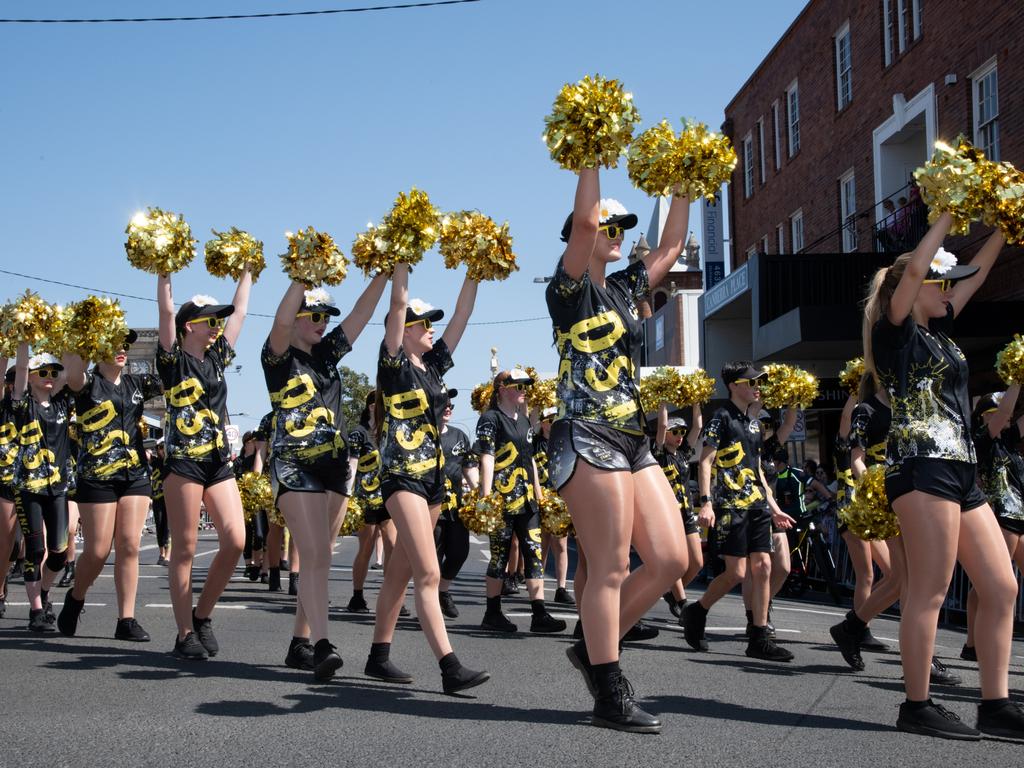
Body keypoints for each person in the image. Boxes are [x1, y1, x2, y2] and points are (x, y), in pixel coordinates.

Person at [865, 215, 1021, 739]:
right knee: (929, 589)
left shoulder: (942, 334)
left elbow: (976, 278)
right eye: (945, 283)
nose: (954, 291)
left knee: (1001, 587)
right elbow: (911, 277)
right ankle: (917, 704)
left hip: (962, 471)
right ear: (925, 284)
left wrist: (1006, 226)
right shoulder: (897, 333)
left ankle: (994, 704)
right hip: (920, 467)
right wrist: (949, 214)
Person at [546, 170, 690, 733]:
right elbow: (584, 220)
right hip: (586, 432)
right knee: (607, 566)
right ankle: (609, 688)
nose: (618, 232)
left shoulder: (626, 288)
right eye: (610, 224)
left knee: (672, 559)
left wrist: (687, 179)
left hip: (632, 437)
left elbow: (674, 246)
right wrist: (591, 155)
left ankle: (592, 645)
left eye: (625, 225)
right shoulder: (567, 289)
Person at [367, 265, 489, 694]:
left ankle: (377, 657)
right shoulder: (393, 361)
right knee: (428, 573)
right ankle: (449, 666)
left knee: (399, 574)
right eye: (423, 323)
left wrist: (476, 267)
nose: (431, 329)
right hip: (401, 475)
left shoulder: (435, 368)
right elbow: (397, 304)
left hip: (434, 479)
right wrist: (401, 264)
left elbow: (461, 315)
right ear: (403, 329)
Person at [263, 278, 386, 679]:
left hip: (334, 466)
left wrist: (384, 271)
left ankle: (299, 642)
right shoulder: (277, 356)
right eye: (315, 315)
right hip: (293, 464)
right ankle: (321, 645)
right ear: (297, 317)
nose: (324, 323)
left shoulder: (328, 354)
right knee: (314, 554)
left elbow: (362, 315)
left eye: (326, 317)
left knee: (320, 557)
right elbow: (281, 321)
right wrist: (300, 276)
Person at [156, 268, 252, 660]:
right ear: (188, 326)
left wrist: (248, 270)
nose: (216, 326)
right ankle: (183, 634)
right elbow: (164, 311)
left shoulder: (217, 358)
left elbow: (241, 313)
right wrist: (163, 268)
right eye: (210, 320)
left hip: (216, 461)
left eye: (217, 321)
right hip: (183, 464)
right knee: (186, 548)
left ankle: (202, 614)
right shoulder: (172, 360)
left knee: (236, 540)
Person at [681, 362, 795, 661]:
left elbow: (757, 470)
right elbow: (705, 462)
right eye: (752, 382)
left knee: (764, 568)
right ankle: (698, 610)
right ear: (734, 385)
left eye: (759, 382)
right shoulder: (721, 418)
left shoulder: (755, 425)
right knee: (737, 573)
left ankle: (759, 637)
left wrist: (773, 508)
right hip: (730, 506)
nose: (758, 386)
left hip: (757, 505)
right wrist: (706, 501)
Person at [56, 330, 163, 641]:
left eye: (124, 345)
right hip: (97, 476)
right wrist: (89, 337)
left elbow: (170, 371)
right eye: (112, 344)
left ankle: (126, 619)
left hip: (135, 475)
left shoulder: (138, 384)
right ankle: (76, 597)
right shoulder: (86, 384)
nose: (120, 350)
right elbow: (73, 372)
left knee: (130, 546)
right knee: (99, 551)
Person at [478, 369, 564, 634]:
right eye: (518, 385)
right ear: (502, 389)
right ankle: (492, 613)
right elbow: (487, 457)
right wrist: (485, 495)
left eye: (525, 385)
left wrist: (539, 495)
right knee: (499, 557)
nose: (524, 390)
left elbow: (530, 461)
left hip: (527, 501)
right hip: (502, 500)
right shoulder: (490, 419)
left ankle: (539, 613)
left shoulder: (525, 421)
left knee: (534, 554)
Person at [10, 348, 73, 632]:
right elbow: (21, 369)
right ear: (32, 377)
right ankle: (36, 610)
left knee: (59, 553)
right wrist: (23, 340)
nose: (50, 377)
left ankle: (44, 593)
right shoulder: (22, 404)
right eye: (43, 372)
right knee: (35, 551)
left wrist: (70, 341)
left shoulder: (62, 403)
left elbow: (71, 370)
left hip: (57, 487)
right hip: (28, 487)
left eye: (52, 372)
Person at [963, 386, 1024, 660]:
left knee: (992, 585)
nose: (1005, 419)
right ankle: (976, 642)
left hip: (1020, 516)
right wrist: (1017, 377)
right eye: (995, 413)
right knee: (994, 584)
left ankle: (974, 643)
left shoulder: (1010, 443)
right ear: (985, 417)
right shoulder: (981, 441)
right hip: (1001, 516)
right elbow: (1008, 410)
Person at [346, 391, 396, 614]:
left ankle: (393, 598)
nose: (379, 406)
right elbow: (352, 465)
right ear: (369, 407)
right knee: (365, 548)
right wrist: (347, 495)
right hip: (366, 498)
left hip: (388, 497)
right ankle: (357, 596)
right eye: (375, 402)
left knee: (392, 547)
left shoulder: (390, 431)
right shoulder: (359, 433)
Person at [654, 403, 702, 619]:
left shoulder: (683, 454)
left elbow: (698, 427)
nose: (680, 436)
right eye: (675, 432)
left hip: (687, 511)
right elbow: (662, 424)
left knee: (697, 562)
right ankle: (682, 602)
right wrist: (663, 400)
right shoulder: (659, 452)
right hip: (667, 512)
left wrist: (696, 400)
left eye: (682, 432)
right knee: (677, 560)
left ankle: (672, 593)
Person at [436, 388, 479, 618]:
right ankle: (431, 602)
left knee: (460, 551)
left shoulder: (459, 435)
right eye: (443, 404)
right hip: (429, 506)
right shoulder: (423, 434)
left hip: (456, 507)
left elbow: (469, 466)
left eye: (451, 404)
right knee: (432, 558)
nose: (448, 408)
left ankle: (443, 591)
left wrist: (480, 493)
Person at [534, 405, 573, 606]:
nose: (553, 424)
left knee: (561, 544)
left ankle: (561, 587)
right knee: (543, 545)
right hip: (541, 497)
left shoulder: (563, 443)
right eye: (549, 420)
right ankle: (537, 586)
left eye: (555, 420)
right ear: (542, 423)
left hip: (560, 499)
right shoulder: (535, 443)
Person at [0, 365, 20, 619]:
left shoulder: (29, 406)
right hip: (3, 478)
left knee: (22, 545)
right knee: (5, 542)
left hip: (26, 478)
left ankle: (40, 600)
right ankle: (1, 589)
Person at [149, 441, 169, 566]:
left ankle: (168, 555)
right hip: (157, 497)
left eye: (163, 448)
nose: (161, 450)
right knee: (159, 525)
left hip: (170, 498)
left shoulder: (171, 462)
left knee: (168, 527)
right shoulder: (155, 462)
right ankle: (161, 553)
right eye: (159, 448)